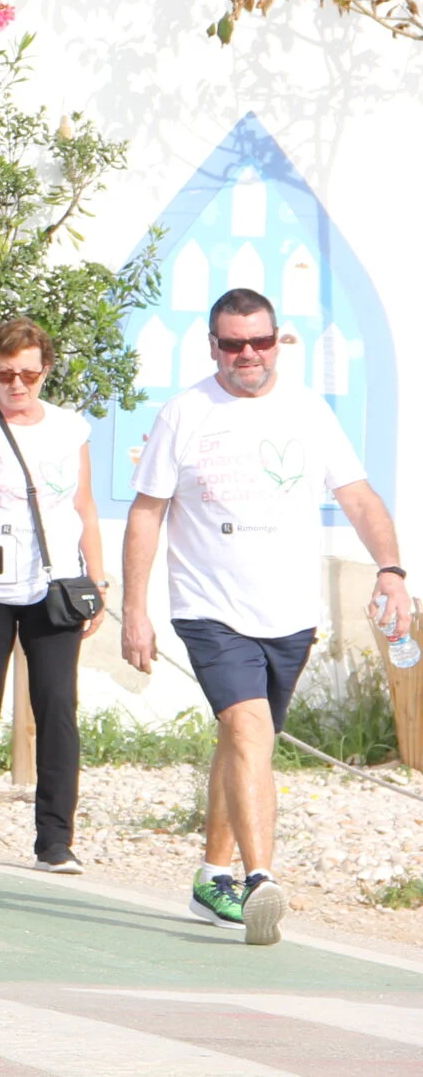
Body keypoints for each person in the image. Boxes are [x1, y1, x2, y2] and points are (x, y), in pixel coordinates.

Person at [122, 286, 408, 945]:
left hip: (289, 614)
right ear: (213, 346)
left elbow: (358, 495)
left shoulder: (309, 411)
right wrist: (136, 608)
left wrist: (390, 568)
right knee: (249, 730)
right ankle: (259, 880)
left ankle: (211, 872)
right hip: (209, 607)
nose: (247, 354)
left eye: (259, 340)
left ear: (279, 340)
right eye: (232, 343)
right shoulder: (185, 411)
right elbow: (147, 512)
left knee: (246, 742)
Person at [0, 317, 105, 872]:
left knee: (57, 707)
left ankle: (55, 838)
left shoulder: (70, 429)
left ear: (45, 371)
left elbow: (84, 508)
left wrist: (97, 580)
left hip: (51, 586)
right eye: (5, 375)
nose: (16, 386)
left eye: (28, 375)